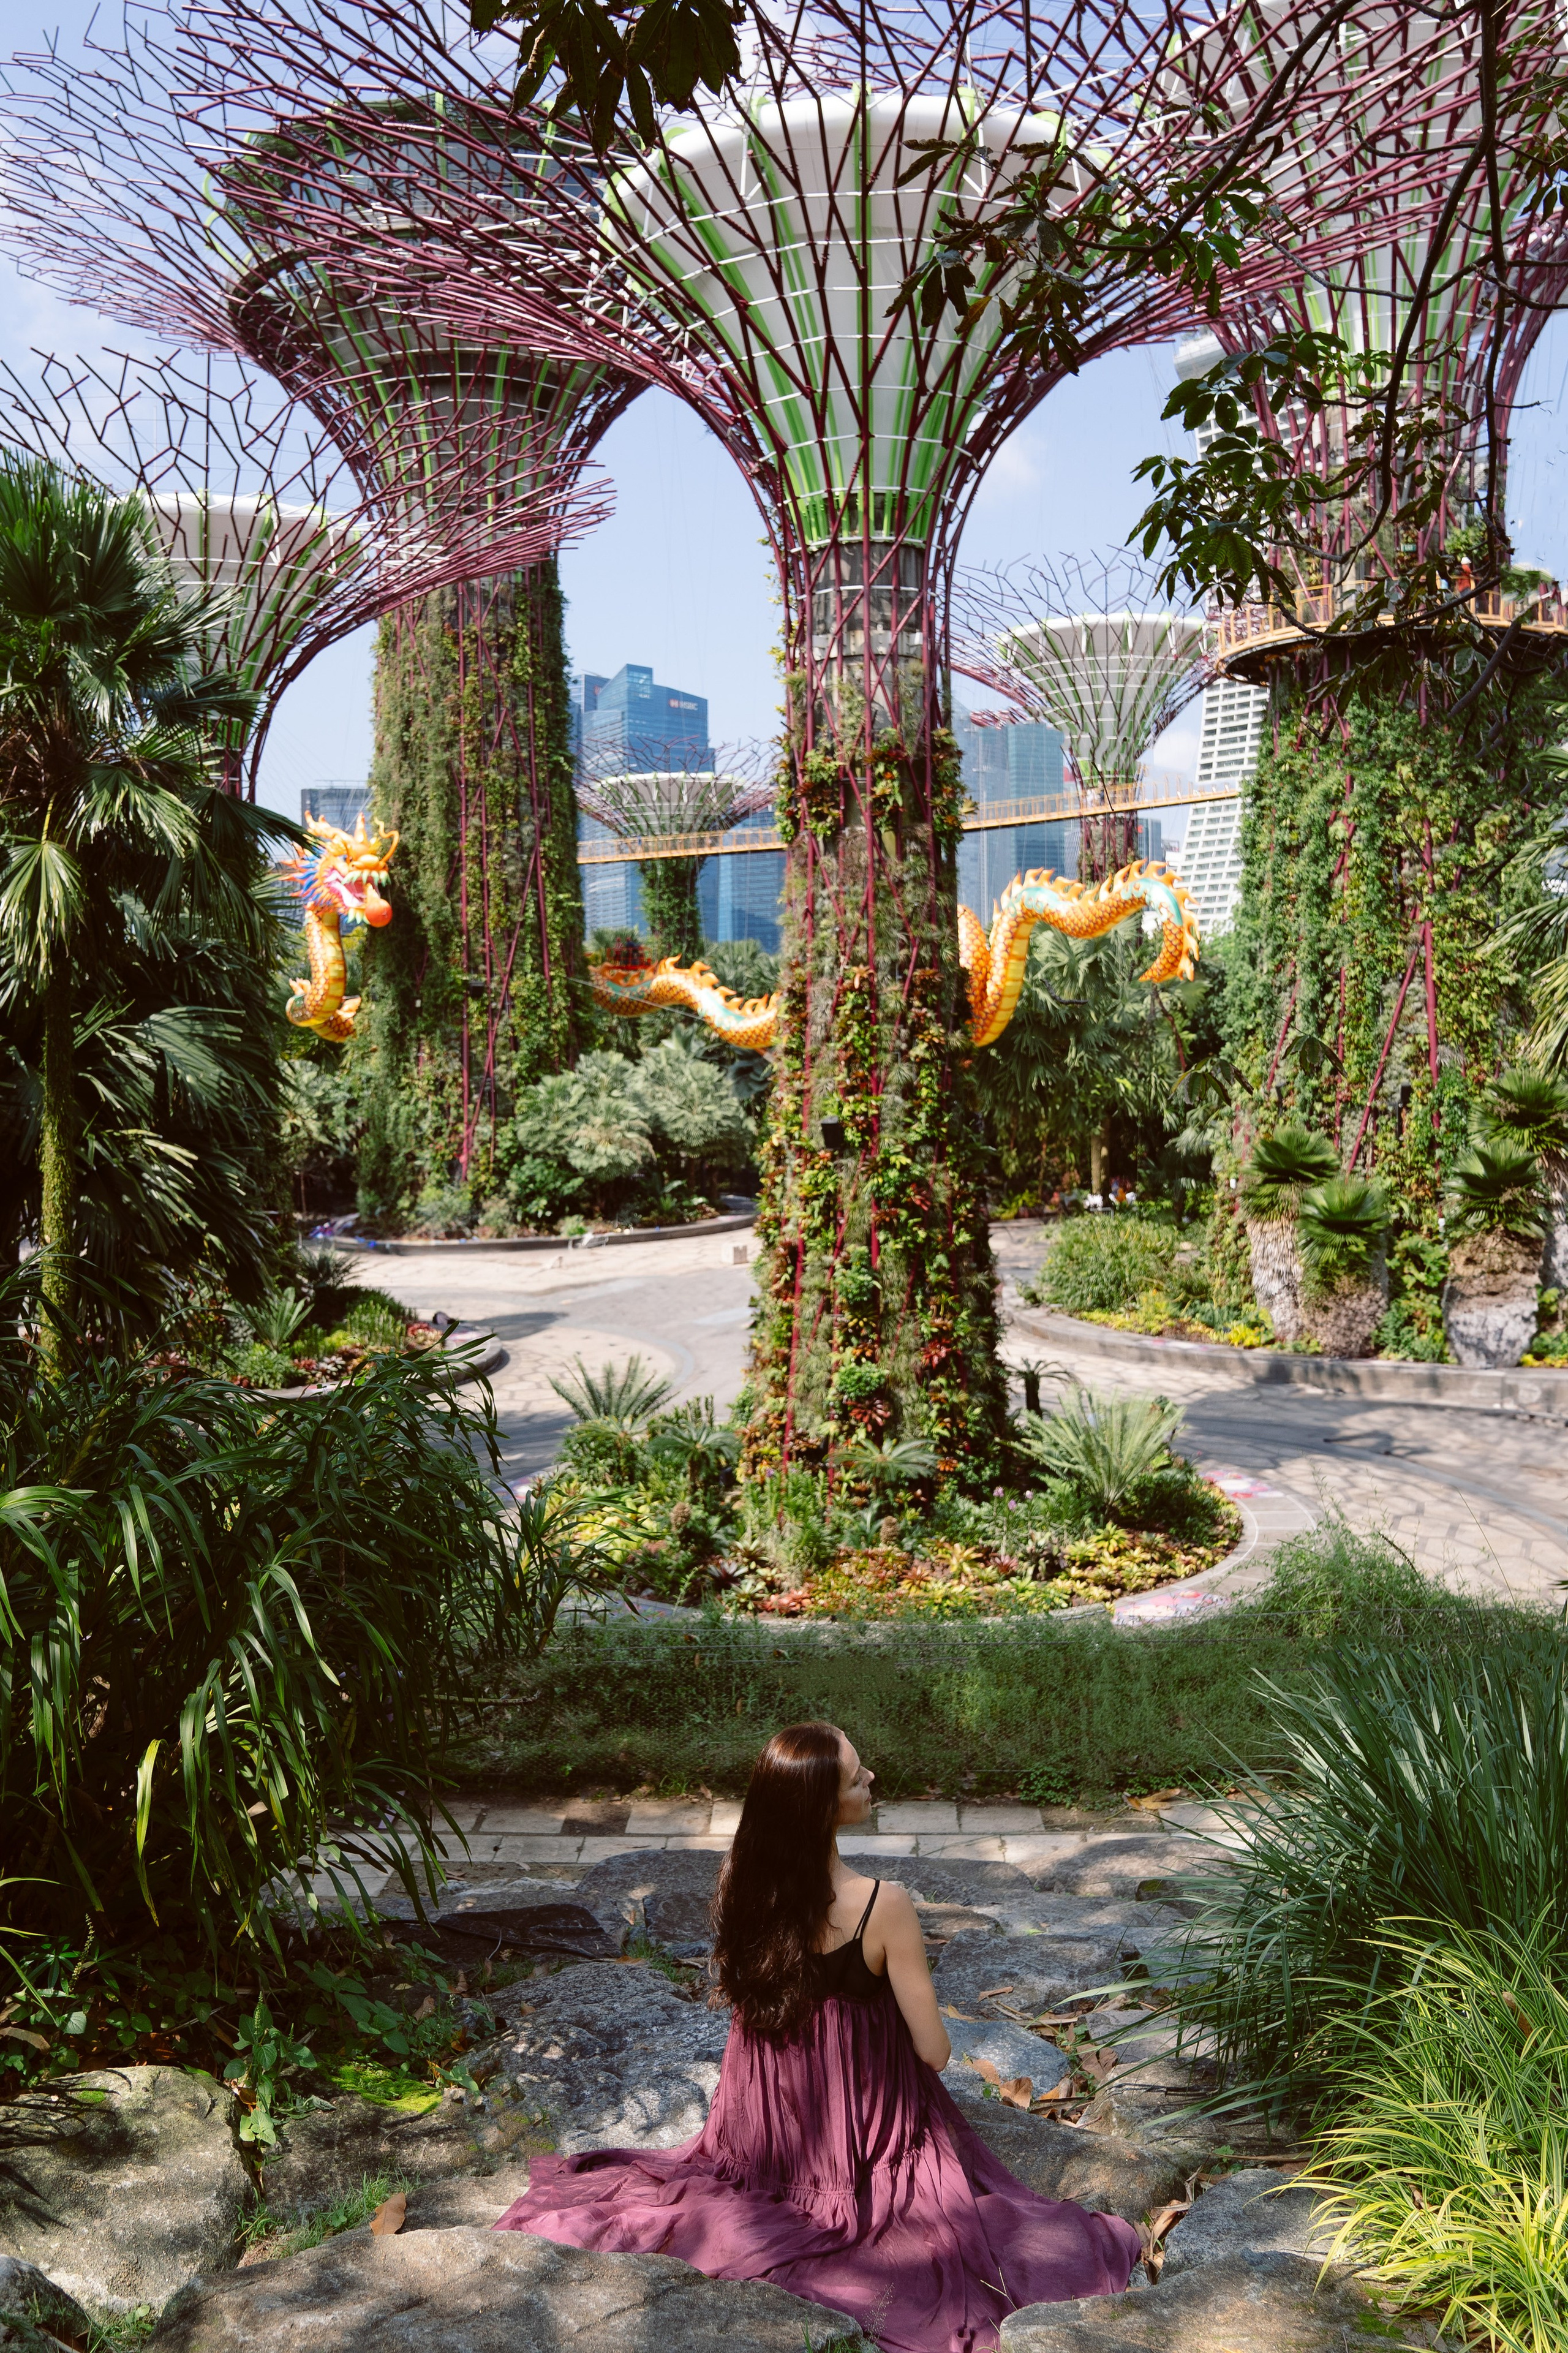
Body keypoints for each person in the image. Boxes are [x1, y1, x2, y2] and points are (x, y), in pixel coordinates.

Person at [494, 1723, 1141, 2351]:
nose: (872, 1777)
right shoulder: (882, 1904)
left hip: (761, 2135)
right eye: (857, 1776)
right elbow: (935, 2052)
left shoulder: (744, 1883)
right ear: (821, 1807)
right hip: (857, 2141)